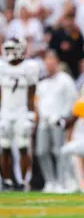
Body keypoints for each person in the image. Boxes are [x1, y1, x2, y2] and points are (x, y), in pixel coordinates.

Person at [35, 50, 78, 193]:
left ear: (57, 63)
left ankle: (62, 181)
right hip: (44, 121)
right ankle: (50, 181)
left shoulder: (65, 80)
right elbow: (38, 102)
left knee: (59, 152)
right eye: (47, 63)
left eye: (52, 62)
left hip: (58, 120)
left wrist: (65, 118)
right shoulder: (42, 82)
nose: (49, 65)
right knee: (41, 151)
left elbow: (72, 100)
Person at [0, 37, 39, 191]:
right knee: (4, 147)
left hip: (22, 112)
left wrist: (31, 114)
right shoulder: (2, 67)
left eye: (12, 50)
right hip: (6, 111)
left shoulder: (29, 67)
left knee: (23, 147)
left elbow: (31, 93)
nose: (9, 53)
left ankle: (23, 181)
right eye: (7, 50)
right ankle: (7, 180)